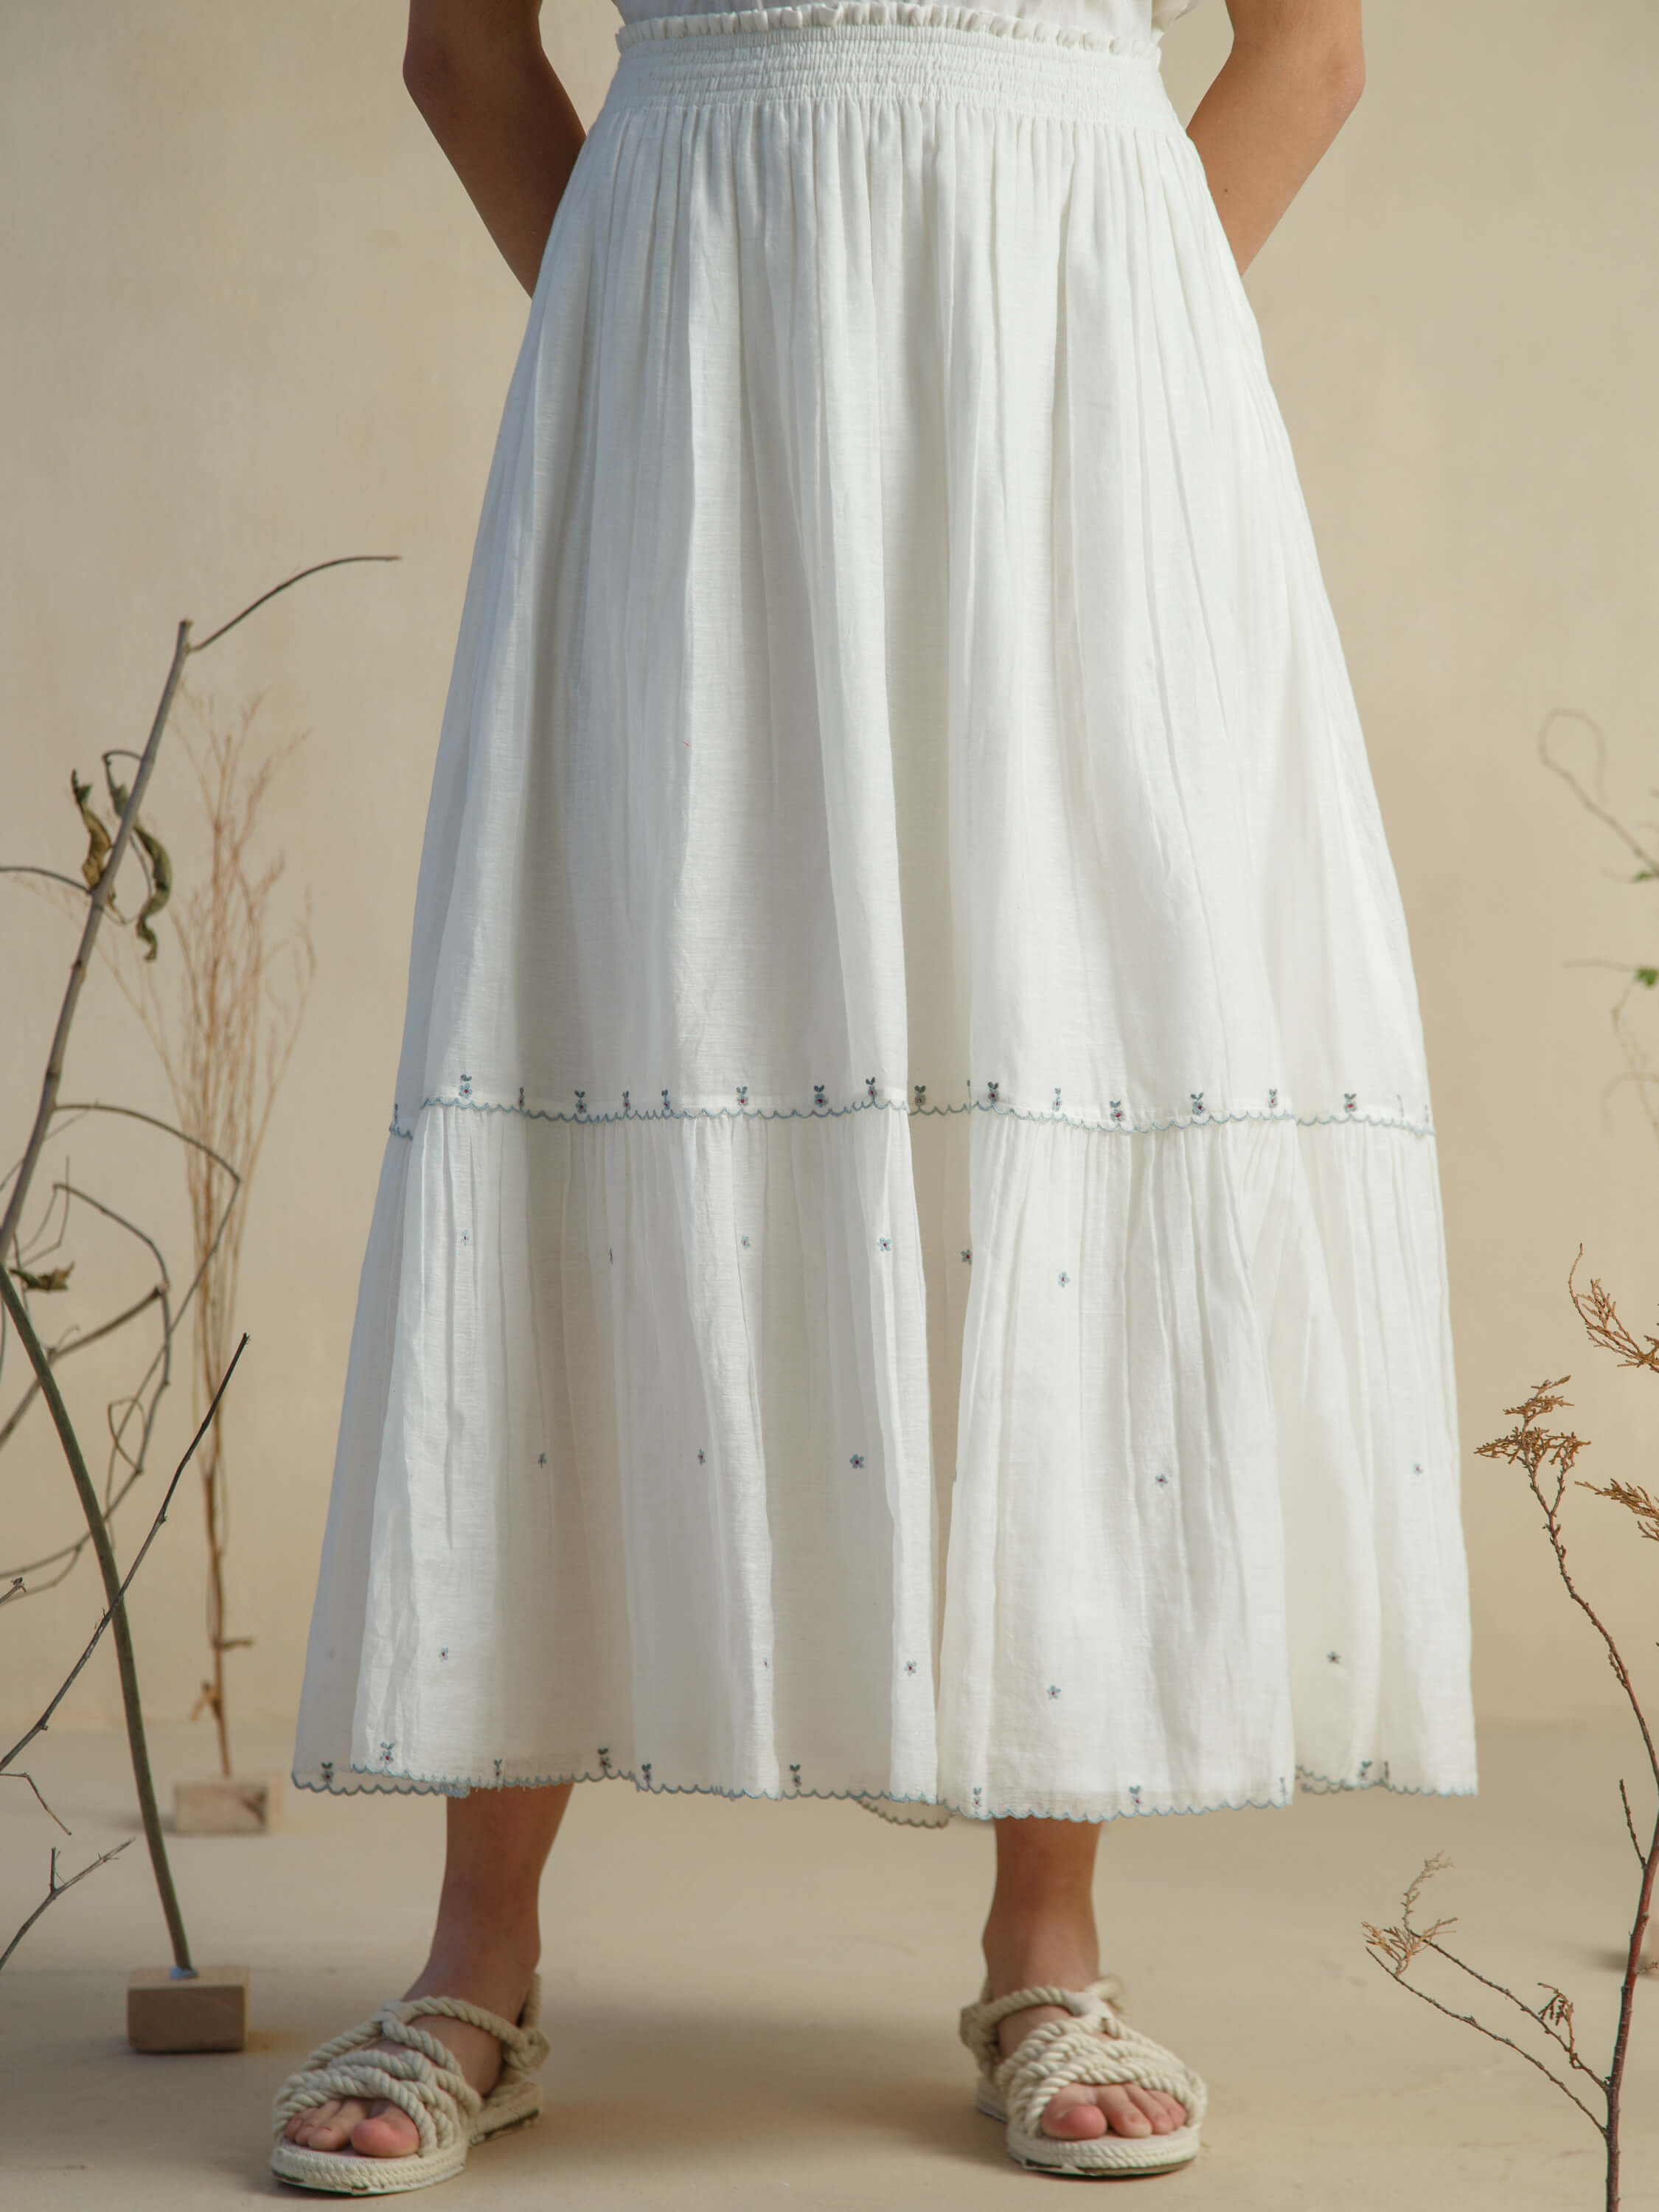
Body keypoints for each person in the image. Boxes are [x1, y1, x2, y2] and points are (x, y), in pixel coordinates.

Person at [269, 0, 1477, 2190]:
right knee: (620, 1000)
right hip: (705, 364)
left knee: (1066, 1026)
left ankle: (1042, 1946)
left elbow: (1305, 51)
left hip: (1070, 377)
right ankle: (488, 1957)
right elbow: (466, 49)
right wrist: (682, 341)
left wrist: (1084, 359)